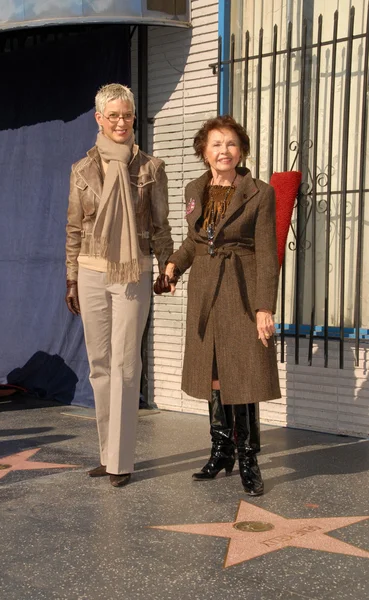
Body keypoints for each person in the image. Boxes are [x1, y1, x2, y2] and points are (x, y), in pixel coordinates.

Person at [155, 115, 280, 496]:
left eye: (230, 144)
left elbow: (266, 251)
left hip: (241, 289)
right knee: (213, 374)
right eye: (215, 144)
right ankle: (221, 449)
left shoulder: (259, 191)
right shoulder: (195, 188)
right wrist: (174, 265)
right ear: (203, 151)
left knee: (242, 375)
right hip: (206, 290)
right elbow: (196, 241)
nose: (223, 150)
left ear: (240, 150)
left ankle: (247, 457)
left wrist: (264, 306)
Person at [65, 83, 173, 487]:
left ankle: (122, 461)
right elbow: (74, 228)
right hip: (91, 272)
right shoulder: (82, 169)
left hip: (133, 271)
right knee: (100, 367)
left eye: (126, 114)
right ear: (99, 119)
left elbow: (160, 225)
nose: (121, 122)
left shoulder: (150, 168)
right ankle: (107, 453)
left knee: (127, 366)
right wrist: (71, 277)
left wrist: (168, 267)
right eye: (113, 115)